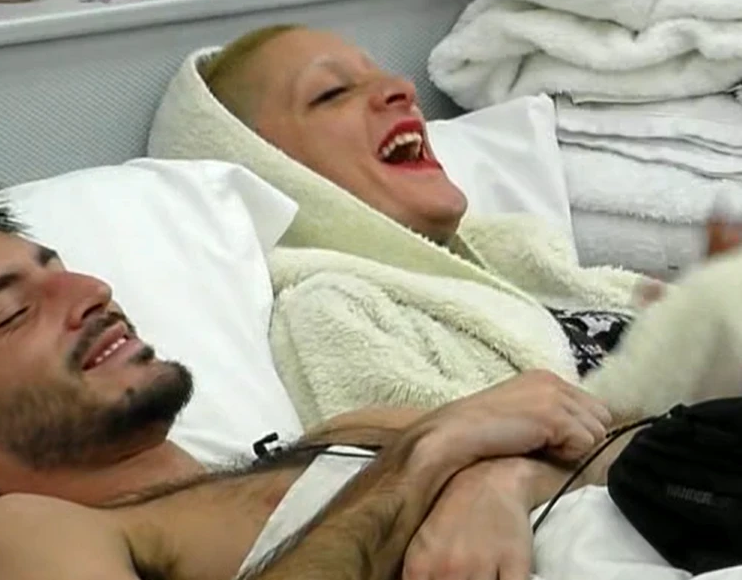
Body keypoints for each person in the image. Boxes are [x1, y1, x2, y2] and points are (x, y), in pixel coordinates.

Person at [0, 161, 620, 580]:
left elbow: (624, 452)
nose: (89, 291)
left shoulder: (348, 437)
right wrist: (438, 455)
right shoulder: (26, 536)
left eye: (58, 268)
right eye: (13, 313)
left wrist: (495, 482)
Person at [146, 23, 742, 429]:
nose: (402, 90)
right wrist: (704, 319)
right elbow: (455, 483)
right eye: (332, 93)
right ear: (266, 168)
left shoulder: (534, 267)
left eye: (384, 76)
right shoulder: (334, 312)